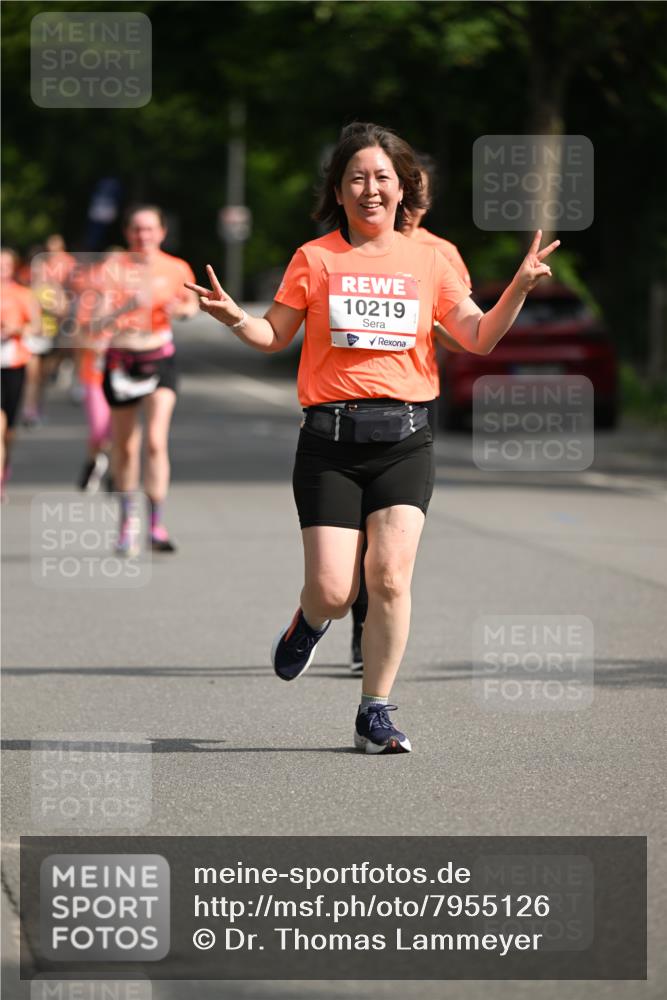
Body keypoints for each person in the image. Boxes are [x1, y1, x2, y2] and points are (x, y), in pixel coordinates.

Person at [186, 122, 558, 754]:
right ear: (338, 190)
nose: (370, 189)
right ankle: (310, 621)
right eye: (356, 178)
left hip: (405, 441)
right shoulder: (315, 258)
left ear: (403, 188)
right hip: (329, 443)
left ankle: (374, 712)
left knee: (388, 578)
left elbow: (477, 336)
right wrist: (236, 319)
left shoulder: (430, 260)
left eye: (383, 177)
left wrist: (518, 288)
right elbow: (274, 335)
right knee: (336, 591)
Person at [348, 152, 473, 672]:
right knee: (355, 525)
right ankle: (356, 623)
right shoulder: (358, 244)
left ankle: (373, 627)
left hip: (413, 402)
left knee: (390, 532)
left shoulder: (440, 253)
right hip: (351, 403)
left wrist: (430, 324)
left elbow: (466, 334)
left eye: (419, 193)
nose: (410, 203)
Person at [101, 206, 198, 554]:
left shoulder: (176, 267)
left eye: (150, 229)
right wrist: (124, 306)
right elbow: (93, 317)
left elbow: (191, 304)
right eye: (137, 229)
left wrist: (181, 310)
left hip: (159, 357)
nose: (143, 236)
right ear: (127, 233)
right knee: (126, 446)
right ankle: (127, 523)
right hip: (121, 360)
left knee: (156, 441)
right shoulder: (112, 268)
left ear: (161, 232)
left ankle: (156, 524)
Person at [1, 248, 40, 499]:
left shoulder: (23, 294)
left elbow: (36, 326)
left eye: (5, 265)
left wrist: (16, 329)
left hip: (14, 364)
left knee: (9, 431)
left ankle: (5, 464)